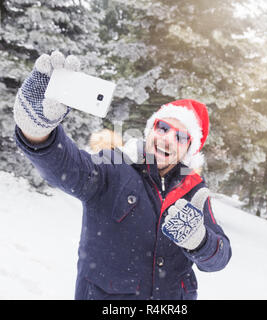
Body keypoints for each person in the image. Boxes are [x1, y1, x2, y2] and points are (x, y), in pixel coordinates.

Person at [13, 50, 232, 300]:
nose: (168, 139)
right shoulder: (114, 167)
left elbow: (220, 257)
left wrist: (200, 241)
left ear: (188, 151)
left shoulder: (194, 191)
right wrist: (38, 133)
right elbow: (67, 168)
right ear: (151, 130)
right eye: (163, 127)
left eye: (181, 137)